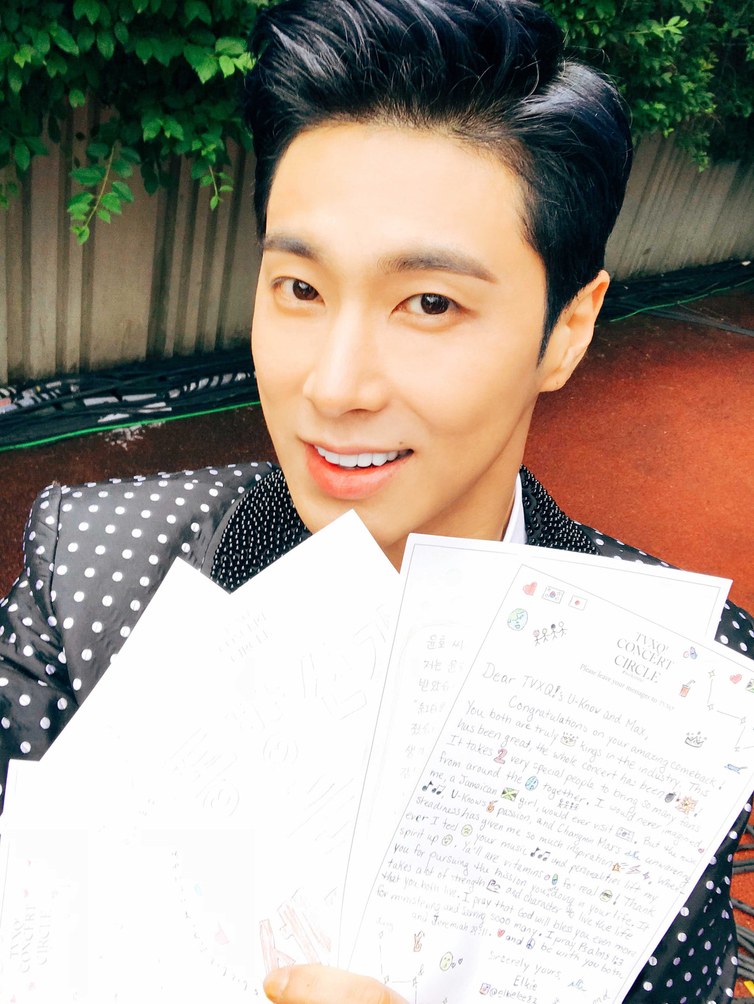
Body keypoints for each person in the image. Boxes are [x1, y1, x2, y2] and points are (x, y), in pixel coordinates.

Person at [0, 0, 752, 1001]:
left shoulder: (687, 674)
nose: (332, 384)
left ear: (567, 331)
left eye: (430, 303)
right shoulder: (98, 575)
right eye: (300, 289)